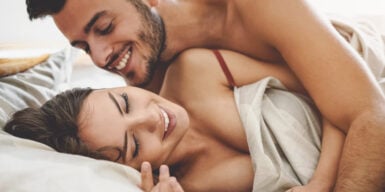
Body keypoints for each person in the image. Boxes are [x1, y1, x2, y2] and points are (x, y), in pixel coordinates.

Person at [25, 0, 385, 191]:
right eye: (83, 46)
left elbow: (361, 111)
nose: (102, 57)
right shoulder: (141, 94)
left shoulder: (251, 14)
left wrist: (323, 183)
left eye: (104, 28)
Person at [4, 49, 345, 192]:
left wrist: (323, 183)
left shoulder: (196, 70)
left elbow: (332, 85)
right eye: (134, 145)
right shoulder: (191, 188)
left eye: (125, 102)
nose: (151, 117)